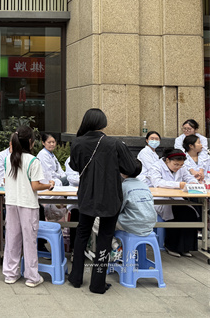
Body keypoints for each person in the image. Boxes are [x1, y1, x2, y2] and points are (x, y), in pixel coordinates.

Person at [67, 108, 138, 294]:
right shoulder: (114, 143)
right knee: (105, 238)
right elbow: (131, 167)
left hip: (86, 195)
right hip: (110, 196)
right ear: (103, 123)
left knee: (82, 234)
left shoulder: (78, 142)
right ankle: (97, 283)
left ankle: (76, 277)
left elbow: (74, 166)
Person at [2, 126, 54, 288]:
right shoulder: (33, 161)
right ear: (31, 142)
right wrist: (49, 185)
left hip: (11, 202)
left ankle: (10, 274)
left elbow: (5, 180)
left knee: (12, 238)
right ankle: (32, 277)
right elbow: (35, 186)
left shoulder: (8, 159)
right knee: (29, 240)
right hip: (28, 204)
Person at [149, 148, 200, 257]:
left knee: (190, 213)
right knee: (177, 213)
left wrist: (193, 182)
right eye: (176, 164)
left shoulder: (181, 168)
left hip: (176, 198)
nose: (178, 167)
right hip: (161, 199)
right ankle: (171, 246)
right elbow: (157, 182)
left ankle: (186, 247)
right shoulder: (156, 167)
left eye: (181, 165)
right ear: (167, 160)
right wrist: (178, 185)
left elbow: (189, 177)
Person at [116, 164, 156, 237]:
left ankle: (114, 243)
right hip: (150, 225)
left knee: (98, 221)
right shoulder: (145, 185)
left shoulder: (123, 187)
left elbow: (117, 209)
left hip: (132, 225)